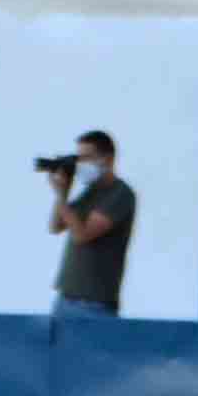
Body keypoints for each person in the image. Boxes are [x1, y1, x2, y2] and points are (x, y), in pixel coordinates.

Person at [48, 129, 134, 317]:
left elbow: (82, 235)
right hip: (65, 300)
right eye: (79, 158)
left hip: (95, 305)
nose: (81, 164)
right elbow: (55, 226)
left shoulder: (120, 194)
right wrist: (63, 192)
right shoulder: (90, 192)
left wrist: (61, 197)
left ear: (108, 159)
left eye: (87, 157)